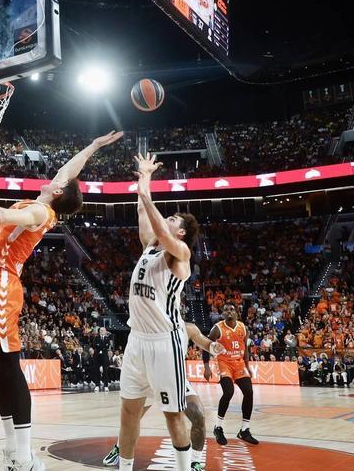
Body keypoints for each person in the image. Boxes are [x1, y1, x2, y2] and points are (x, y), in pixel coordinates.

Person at [0, 131, 124, 470]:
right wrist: (92, 146)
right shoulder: (47, 200)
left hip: (2, 284)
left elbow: (0, 216)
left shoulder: (40, 213)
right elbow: (69, 172)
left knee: (9, 366)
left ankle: (26, 455)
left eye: (59, 181)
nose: (55, 177)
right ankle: (13, 450)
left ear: (57, 192)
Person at [116, 153, 200, 471]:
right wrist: (145, 176)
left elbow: (160, 228)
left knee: (172, 414)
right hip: (137, 340)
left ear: (181, 232)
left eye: (175, 219)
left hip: (165, 342)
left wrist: (146, 193)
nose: (169, 219)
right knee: (128, 411)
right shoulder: (149, 247)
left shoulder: (180, 253)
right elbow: (143, 209)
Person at [103, 321, 223, 471]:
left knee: (198, 415)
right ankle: (119, 448)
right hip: (148, 378)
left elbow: (203, 340)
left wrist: (213, 346)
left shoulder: (188, 328)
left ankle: (195, 462)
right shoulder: (149, 327)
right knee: (132, 418)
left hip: (173, 378)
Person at [204, 301, 257, 445]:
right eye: (226, 310)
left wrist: (248, 366)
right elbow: (206, 346)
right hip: (224, 363)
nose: (229, 311)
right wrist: (206, 366)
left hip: (239, 363)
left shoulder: (243, 328)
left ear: (236, 312)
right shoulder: (217, 329)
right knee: (228, 392)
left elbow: (245, 349)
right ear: (222, 313)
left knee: (249, 392)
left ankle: (244, 430)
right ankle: (218, 427)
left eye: (231, 309)